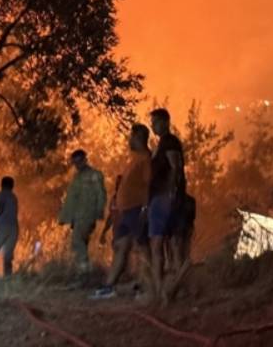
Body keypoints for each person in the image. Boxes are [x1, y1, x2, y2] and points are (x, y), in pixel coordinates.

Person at [92, 124, 152, 300]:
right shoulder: (134, 158)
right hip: (125, 212)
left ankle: (147, 286)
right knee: (122, 248)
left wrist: (145, 209)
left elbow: (148, 185)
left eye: (131, 136)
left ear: (139, 137)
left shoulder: (145, 159)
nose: (129, 140)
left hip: (135, 209)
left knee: (143, 248)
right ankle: (109, 287)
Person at [147, 107, 186, 304]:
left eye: (154, 122)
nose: (152, 126)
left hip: (164, 200)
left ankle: (162, 292)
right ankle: (174, 290)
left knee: (158, 245)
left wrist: (171, 193)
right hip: (164, 199)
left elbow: (176, 168)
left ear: (165, 121)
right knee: (172, 245)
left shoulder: (169, 142)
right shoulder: (163, 143)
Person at [58, 149, 107, 275]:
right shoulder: (77, 178)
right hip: (78, 216)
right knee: (82, 242)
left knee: (77, 241)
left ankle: (85, 269)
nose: (77, 165)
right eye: (75, 163)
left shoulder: (94, 175)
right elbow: (71, 199)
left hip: (88, 215)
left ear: (85, 160)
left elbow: (101, 193)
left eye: (79, 161)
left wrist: (99, 211)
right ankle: (84, 272)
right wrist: (65, 217)